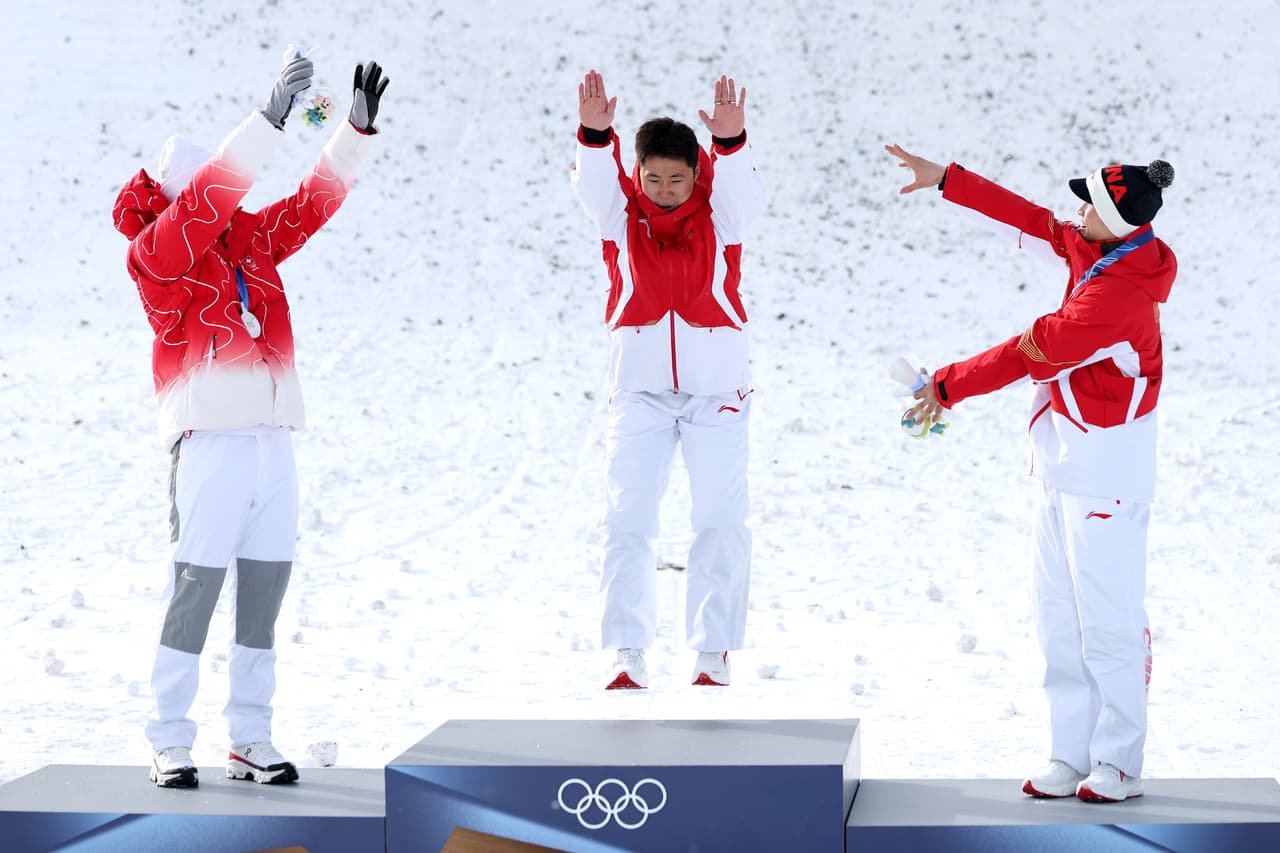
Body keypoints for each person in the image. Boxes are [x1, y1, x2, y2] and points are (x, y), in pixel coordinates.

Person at [112, 52, 390, 788]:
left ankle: (250, 738)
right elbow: (207, 202)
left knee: (263, 598)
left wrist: (353, 132)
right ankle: (169, 736)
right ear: (181, 198)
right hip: (209, 445)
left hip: (272, 445)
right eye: (211, 196)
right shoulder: (157, 256)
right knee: (195, 590)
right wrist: (268, 121)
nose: (227, 207)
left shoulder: (252, 242)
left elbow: (310, 203)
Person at [883, 143, 1176, 802]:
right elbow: (1032, 221)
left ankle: (1119, 760)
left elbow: (1030, 351)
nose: (1076, 213)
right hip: (1059, 464)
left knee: (1108, 621)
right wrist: (946, 182)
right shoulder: (1099, 247)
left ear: (1117, 223)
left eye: (1089, 206)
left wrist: (945, 386)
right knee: (1058, 619)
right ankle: (1071, 752)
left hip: (1106, 470)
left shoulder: (1117, 300)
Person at [571, 70, 766, 690]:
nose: (663, 190)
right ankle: (626, 649)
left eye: (677, 177)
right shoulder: (618, 216)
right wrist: (595, 134)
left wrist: (732, 145)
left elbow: (745, 194)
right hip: (639, 392)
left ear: (696, 175)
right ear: (639, 173)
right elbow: (594, 182)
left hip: (717, 395)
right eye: (652, 177)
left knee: (717, 519)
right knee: (627, 520)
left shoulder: (722, 217)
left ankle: (713, 651)